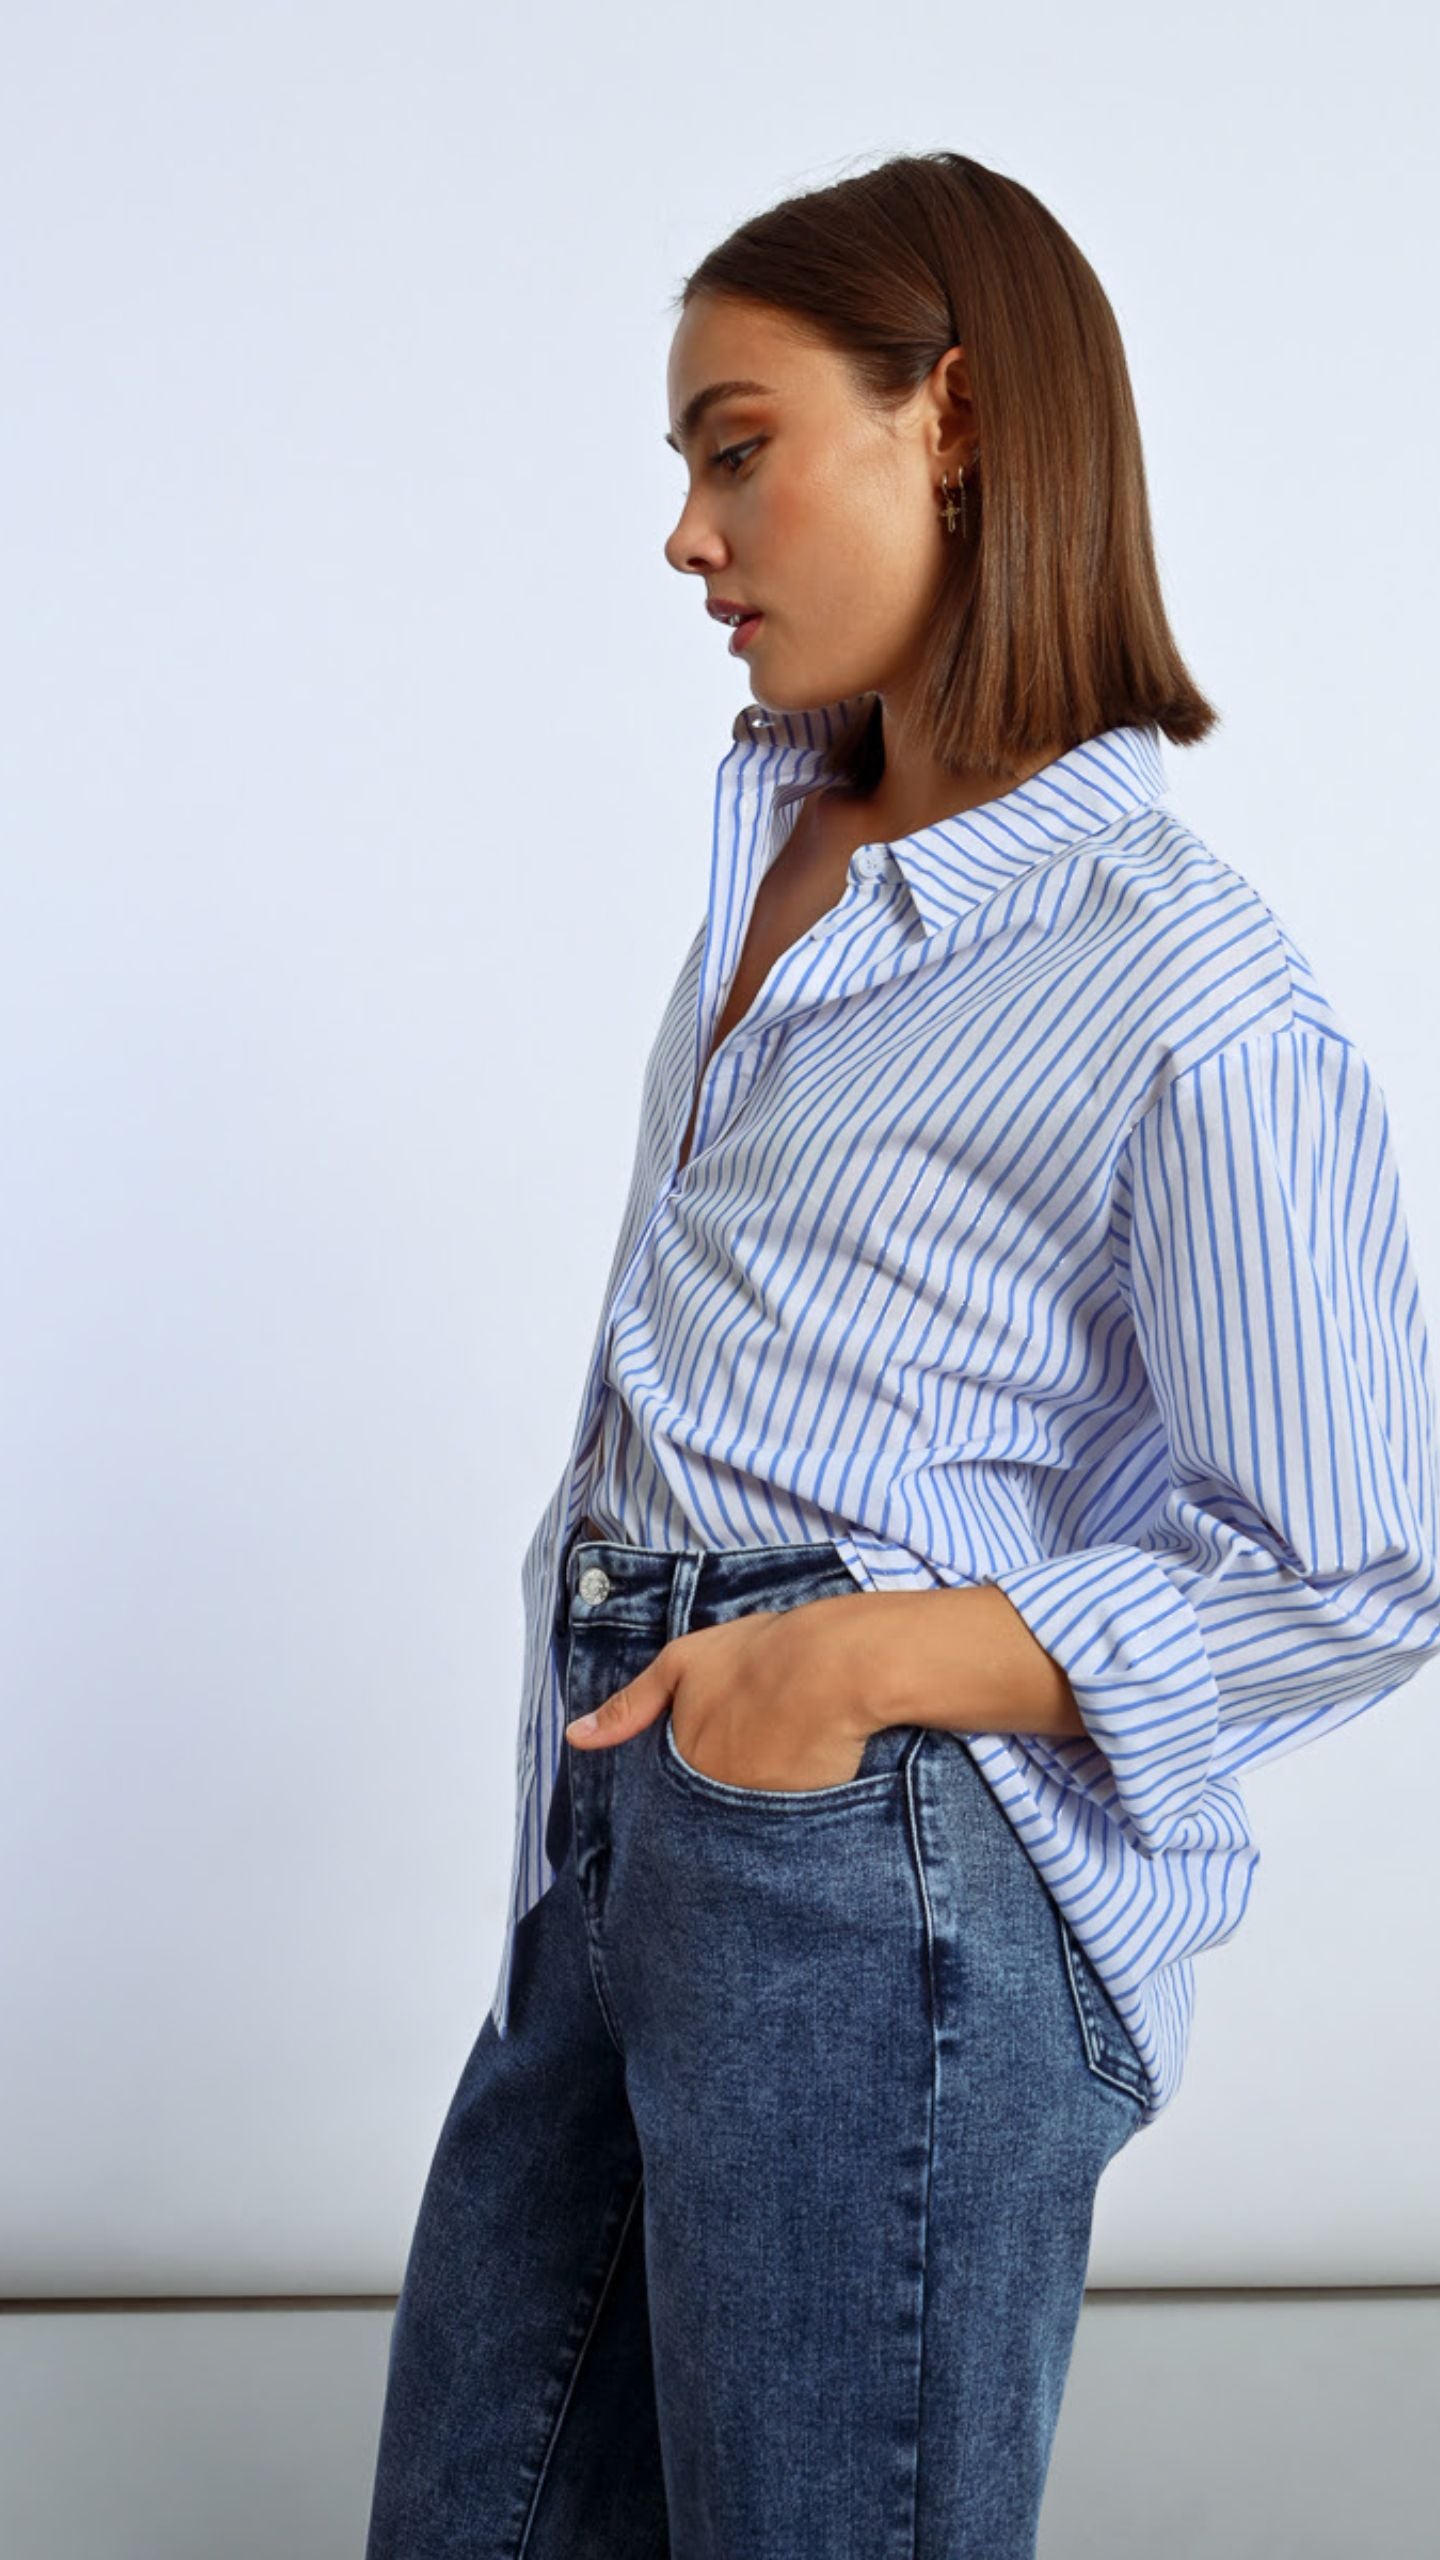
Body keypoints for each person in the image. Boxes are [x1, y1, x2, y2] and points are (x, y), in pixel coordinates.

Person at [363, 151, 1440, 2559]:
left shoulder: (1181, 976)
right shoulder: (784, 853)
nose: (687, 533)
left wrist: (844, 1663)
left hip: (871, 1852)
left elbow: (1362, 1561)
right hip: (614, 1818)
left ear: (949, 418)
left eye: (737, 449)